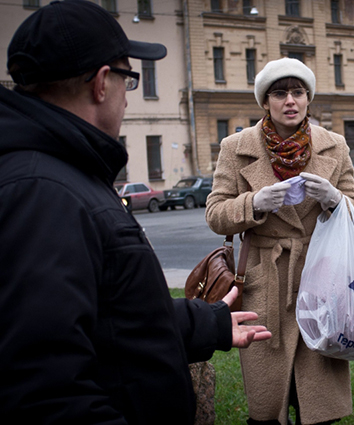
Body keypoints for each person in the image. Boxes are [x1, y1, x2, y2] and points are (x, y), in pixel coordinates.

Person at [0, 1, 270, 423]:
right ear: (102, 83)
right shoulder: (44, 192)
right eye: (130, 80)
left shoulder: (61, 171)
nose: (127, 100)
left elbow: (105, 319)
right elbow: (46, 390)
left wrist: (204, 323)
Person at [206, 57, 354, 425]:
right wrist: (253, 204)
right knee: (267, 407)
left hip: (322, 280)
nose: (290, 100)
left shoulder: (334, 145)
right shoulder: (236, 146)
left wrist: (334, 200)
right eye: (280, 93)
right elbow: (215, 214)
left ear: (308, 98)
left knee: (321, 407)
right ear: (266, 102)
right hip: (267, 285)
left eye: (298, 92)